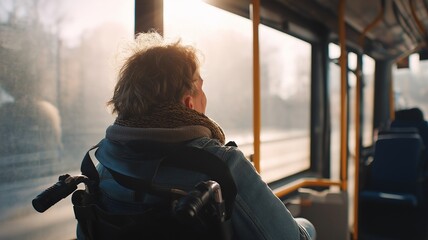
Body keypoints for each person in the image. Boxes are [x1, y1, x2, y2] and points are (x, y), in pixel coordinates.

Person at [80, 31, 316, 240]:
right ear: (189, 103)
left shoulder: (103, 163)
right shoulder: (222, 166)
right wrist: (307, 227)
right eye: (201, 87)